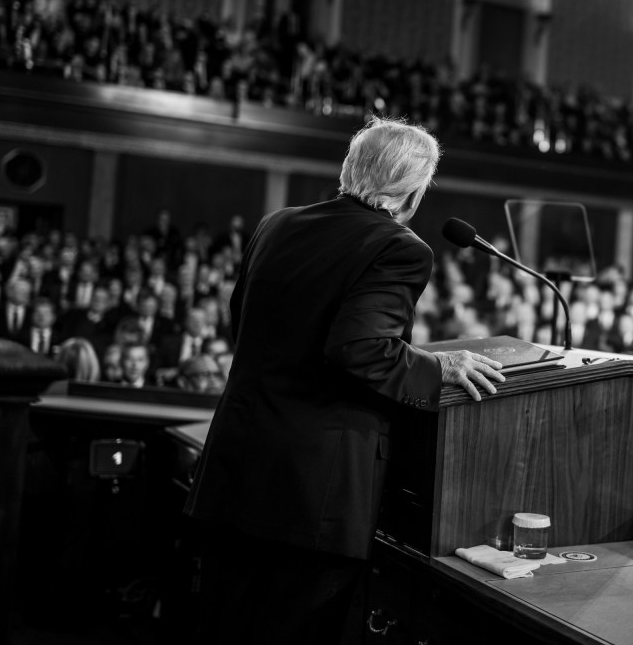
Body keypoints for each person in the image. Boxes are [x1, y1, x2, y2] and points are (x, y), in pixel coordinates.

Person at [185, 119, 506, 645]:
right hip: (312, 499)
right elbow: (358, 350)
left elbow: (241, 320)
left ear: (349, 169)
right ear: (412, 190)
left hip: (234, 473)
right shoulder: (399, 247)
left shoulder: (278, 224)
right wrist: (438, 367)